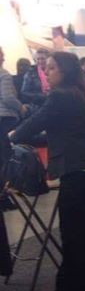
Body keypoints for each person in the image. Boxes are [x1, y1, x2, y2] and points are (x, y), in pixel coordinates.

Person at [11, 52, 85, 291]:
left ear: (65, 70)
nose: (47, 71)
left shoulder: (60, 95)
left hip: (79, 171)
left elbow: (36, 122)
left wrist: (11, 136)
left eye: (52, 67)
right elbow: (58, 133)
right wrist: (25, 136)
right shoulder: (78, 93)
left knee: (73, 233)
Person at [0, 48, 26, 205]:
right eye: (2, 56)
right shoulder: (4, 75)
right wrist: (21, 107)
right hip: (5, 118)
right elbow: (8, 97)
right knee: (6, 158)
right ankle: (5, 196)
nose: (4, 58)